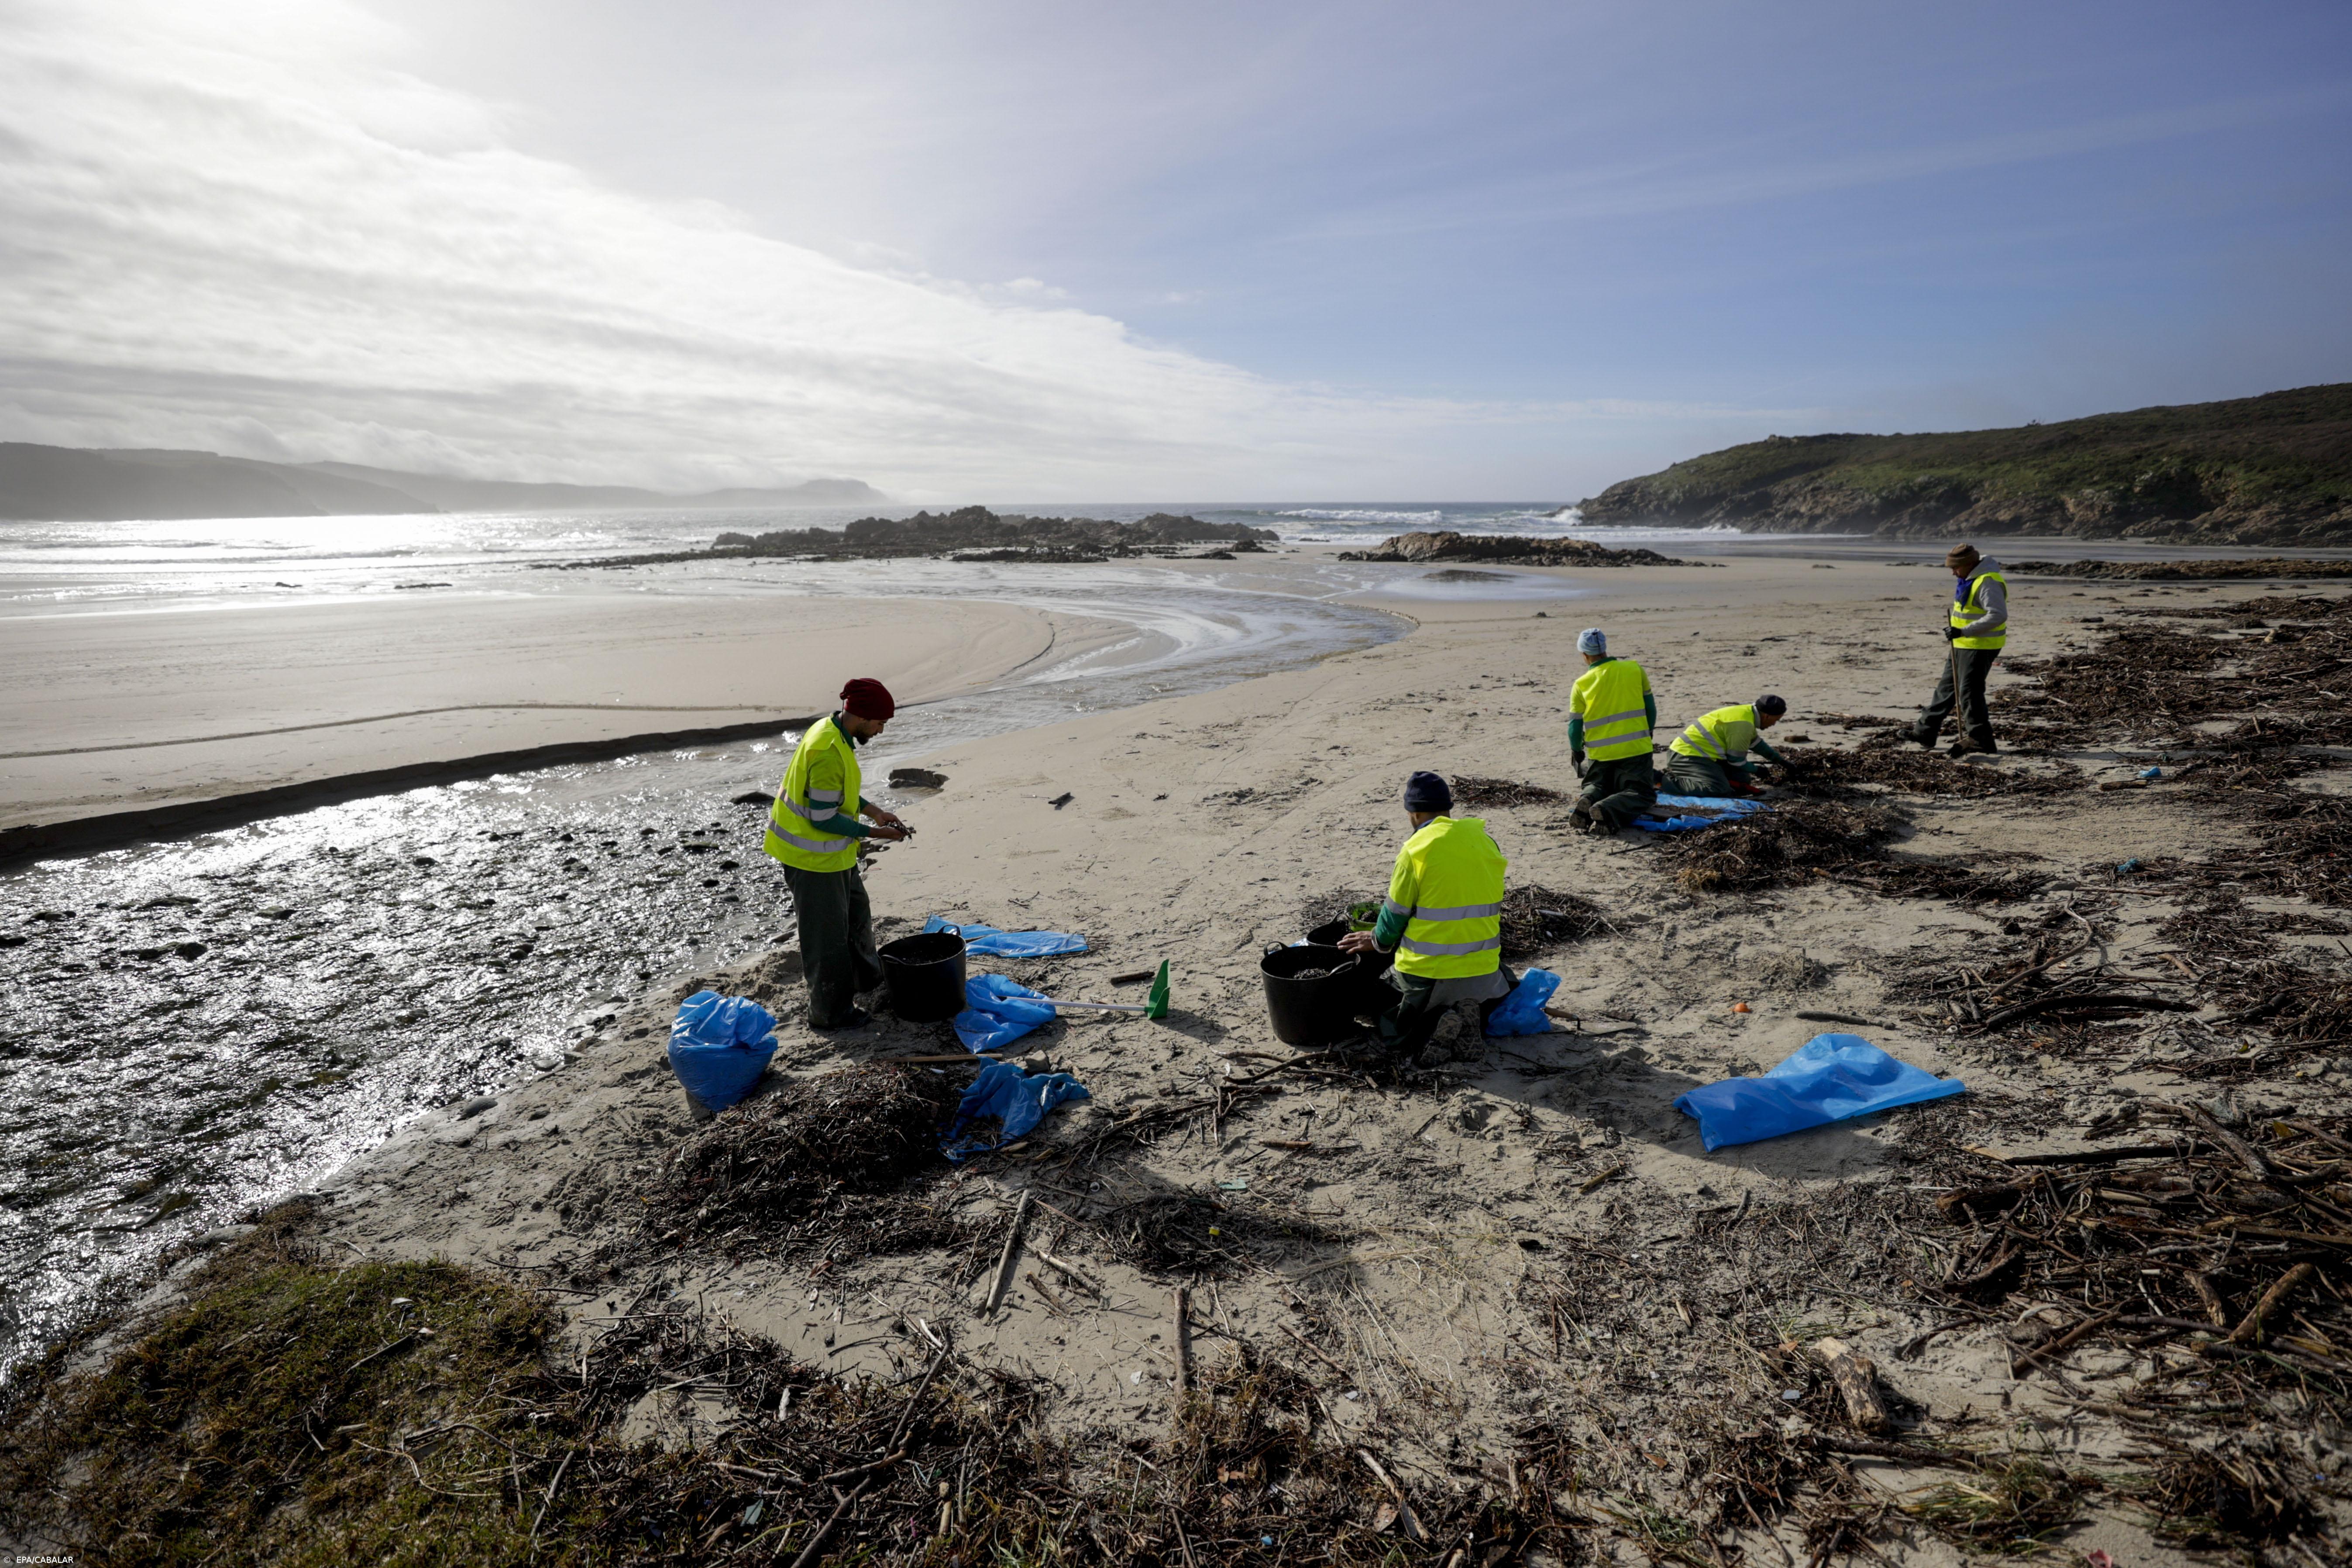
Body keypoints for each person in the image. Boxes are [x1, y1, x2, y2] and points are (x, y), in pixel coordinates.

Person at [761, 678, 911, 1031]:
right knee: (826, 939)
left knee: (857, 913)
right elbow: (824, 817)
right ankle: (830, 1013)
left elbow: (837, 797)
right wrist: (875, 833)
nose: (881, 730)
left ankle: (866, 980)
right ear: (861, 717)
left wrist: (874, 811)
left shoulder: (834, 730)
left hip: (835, 856)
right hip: (812, 860)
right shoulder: (828, 749)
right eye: (879, 724)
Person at [1338, 771, 1514, 1064]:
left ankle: (1436, 1024)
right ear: (1447, 809)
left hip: (1427, 974)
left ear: (1415, 813)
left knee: (1387, 1018)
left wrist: (1376, 941)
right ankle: (1467, 1018)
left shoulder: (1416, 850)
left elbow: (1394, 917)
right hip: (1483, 973)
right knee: (1504, 977)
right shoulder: (1486, 842)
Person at [1906, 544, 2008, 756]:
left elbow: (1998, 615)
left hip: (1980, 646)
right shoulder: (1968, 580)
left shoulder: (1987, 582)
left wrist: (1964, 631)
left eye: (1955, 568)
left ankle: (1981, 740)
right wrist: (1957, 633)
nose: (1953, 573)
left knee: (1969, 693)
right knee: (1947, 688)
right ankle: (1925, 731)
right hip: (1962, 643)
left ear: (1969, 564)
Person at [1565, 627, 1657, 836]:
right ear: (1605, 649)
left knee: (1599, 784)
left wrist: (1577, 749)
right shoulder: (1634, 669)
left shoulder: (1581, 684)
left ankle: (1588, 799)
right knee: (1641, 793)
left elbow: (1575, 727)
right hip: (1635, 749)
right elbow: (1650, 708)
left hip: (1601, 755)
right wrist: (1648, 732)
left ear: (1585, 655)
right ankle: (1606, 809)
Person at [1663, 695, 1789, 797]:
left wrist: (1780, 761)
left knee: (1742, 779)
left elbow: (1756, 744)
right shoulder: (1743, 726)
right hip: (1686, 755)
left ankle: (1703, 777)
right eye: (1776, 720)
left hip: (1707, 756)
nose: (1774, 724)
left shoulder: (1747, 714)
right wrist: (1758, 770)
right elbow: (1736, 762)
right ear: (1767, 716)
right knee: (1718, 790)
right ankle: (1663, 781)